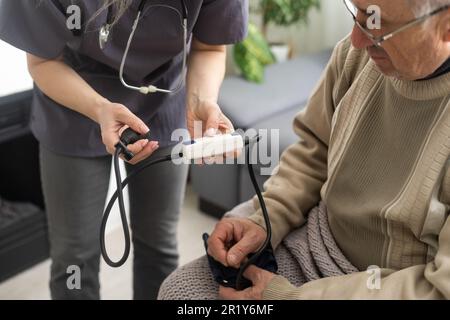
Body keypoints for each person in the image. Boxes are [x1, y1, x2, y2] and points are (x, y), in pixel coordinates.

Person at [158, 0, 450, 299]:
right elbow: (313, 151)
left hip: (386, 287)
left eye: (379, 25)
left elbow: (439, 290)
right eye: (357, 13)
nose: (357, 39)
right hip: (316, 241)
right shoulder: (355, 56)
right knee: (179, 292)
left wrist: (288, 297)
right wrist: (267, 218)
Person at [0, 0, 248, 299]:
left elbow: (209, 48)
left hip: (164, 98)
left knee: (159, 244)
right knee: (74, 259)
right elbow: (42, 62)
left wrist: (202, 101)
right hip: (71, 104)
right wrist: (99, 108)